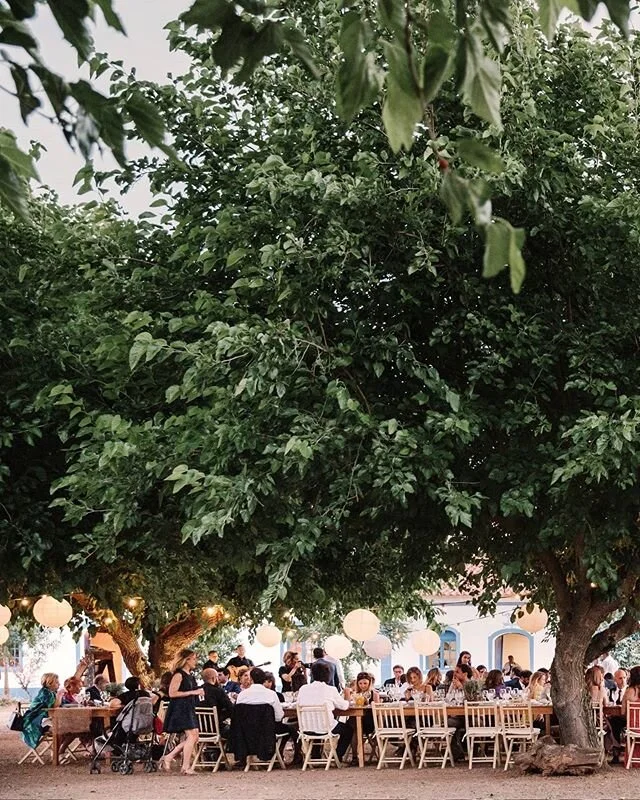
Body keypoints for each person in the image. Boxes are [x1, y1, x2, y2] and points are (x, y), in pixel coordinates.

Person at [297, 662, 352, 764]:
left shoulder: (303, 689)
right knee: (348, 730)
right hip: (326, 727)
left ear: (312, 674)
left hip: (306, 728)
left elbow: (298, 703)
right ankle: (337, 756)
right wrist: (347, 695)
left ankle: (315, 756)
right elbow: (344, 706)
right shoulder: (330, 689)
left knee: (317, 723)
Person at [161, 648, 204, 775]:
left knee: (195, 736)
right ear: (187, 660)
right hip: (180, 708)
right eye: (194, 658)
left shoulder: (190, 676)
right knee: (191, 736)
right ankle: (185, 766)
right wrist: (192, 692)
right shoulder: (178, 675)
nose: (195, 661)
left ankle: (169, 757)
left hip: (188, 707)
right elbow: (172, 693)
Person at [21, 672, 61, 751]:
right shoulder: (45, 693)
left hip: (44, 720)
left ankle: (57, 752)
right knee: (61, 731)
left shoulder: (51, 693)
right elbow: (54, 707)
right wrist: (59, 694)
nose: (59, 684)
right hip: (35, 722)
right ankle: (57, 754)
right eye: (56, 682)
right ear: (49, 683)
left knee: (66, 729)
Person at [201, 668, 233, 737]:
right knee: (237, 730)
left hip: (198, 729)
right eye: (217, 677)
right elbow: (231, 708)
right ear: (213, 678)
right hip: (216, 729)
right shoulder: (218, 691)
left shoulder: (196, 690)